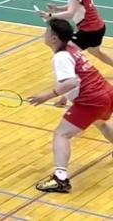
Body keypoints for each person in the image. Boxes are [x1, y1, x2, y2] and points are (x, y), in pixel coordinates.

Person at [28, 18, 113, 194]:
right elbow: (79, 76)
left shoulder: (61, 57)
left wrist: (47, 96)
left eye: (47, 31)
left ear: (54, 38)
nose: (44, 34)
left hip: (91, 100)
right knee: (101, 123)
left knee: (61, 134)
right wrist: (64, 98)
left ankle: (60, 179)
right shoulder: (72, 49)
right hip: (106, 93)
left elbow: (71, 82)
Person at [38, 0, 113, 67]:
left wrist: (50, 16)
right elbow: (76, 5)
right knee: (96, 52)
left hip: (90, 31)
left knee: (65, 50)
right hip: (98, 28)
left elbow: (70, 13)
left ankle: (79, 74)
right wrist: (57, 8)